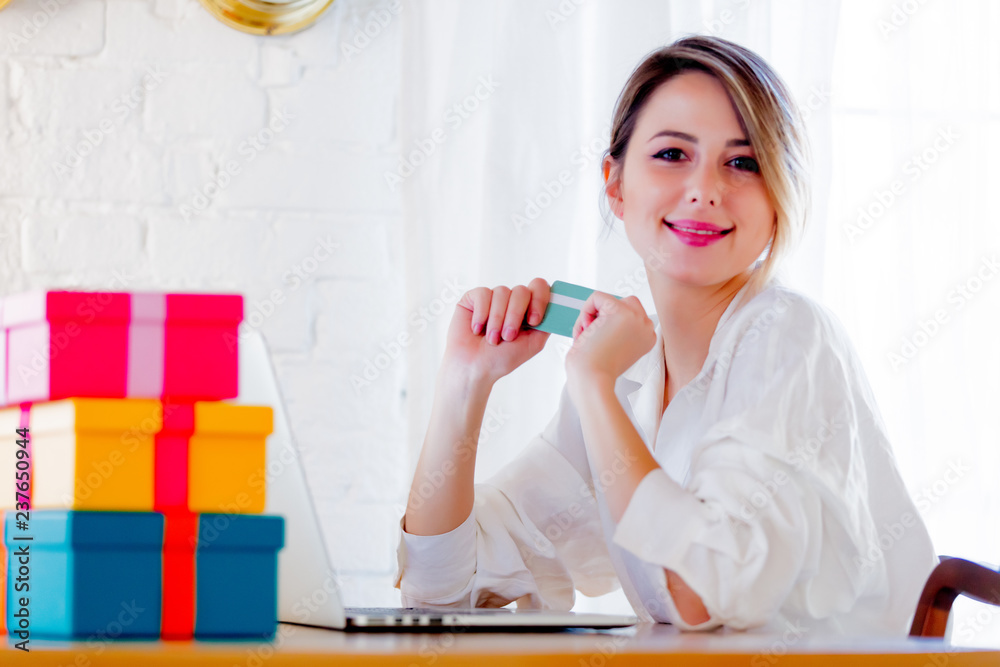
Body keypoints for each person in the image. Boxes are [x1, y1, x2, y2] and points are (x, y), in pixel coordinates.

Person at [395, 35, 937, 634]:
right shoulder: (629, 374)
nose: (705, 189)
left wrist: (593, 383)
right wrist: (463, 385)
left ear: (778, 196)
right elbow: (440, 594)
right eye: (673, 154)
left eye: (742, 162)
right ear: (616, 184)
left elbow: (703, 594)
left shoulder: (786, 336)